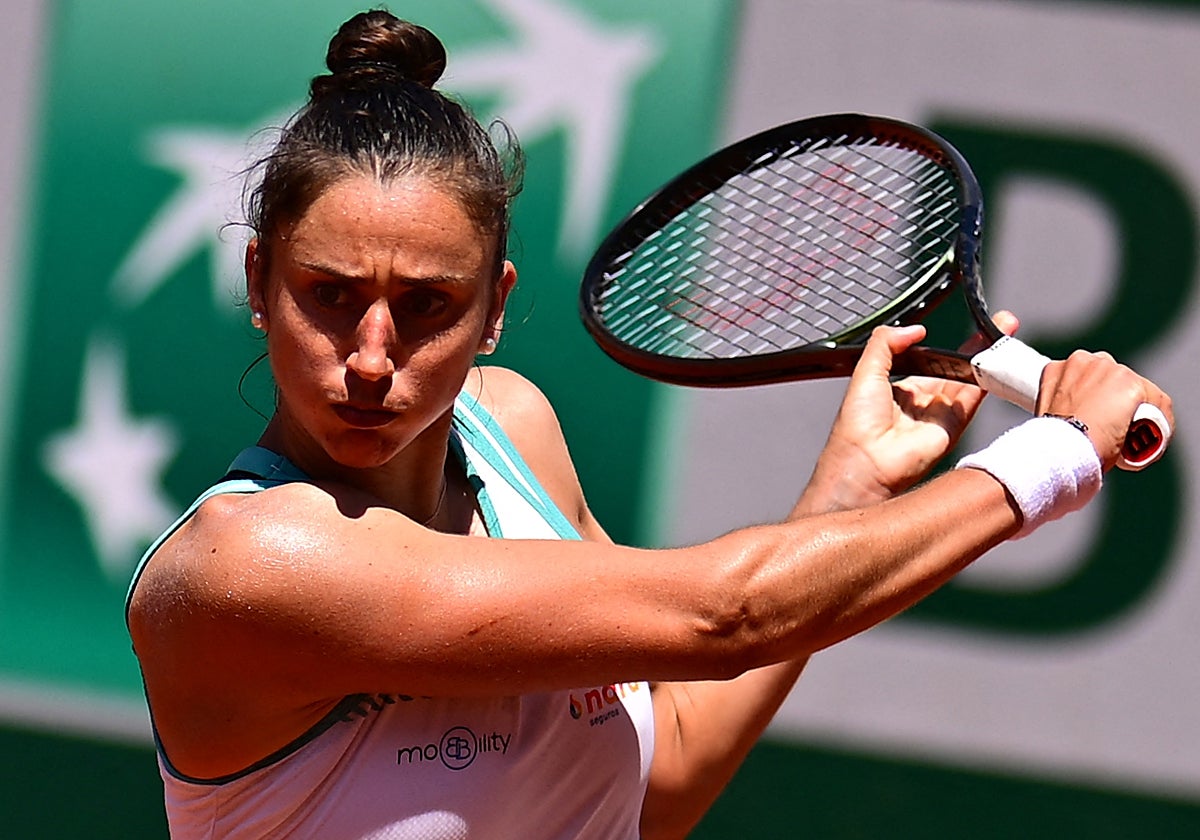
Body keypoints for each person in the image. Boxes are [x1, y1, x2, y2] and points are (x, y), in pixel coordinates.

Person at [125, 10, 1173, 840]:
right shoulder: (249, 569)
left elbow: (660, 780)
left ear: (495, 308)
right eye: (331, 294)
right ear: (259, 278)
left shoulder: (513, 429)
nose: (369, 354)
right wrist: (1053, 457)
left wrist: (848, 490)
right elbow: (721, 619)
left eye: (430, 306)